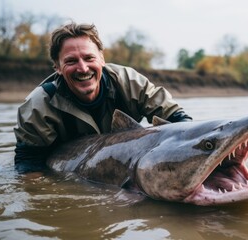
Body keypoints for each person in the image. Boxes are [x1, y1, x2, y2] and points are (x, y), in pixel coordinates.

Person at [13, 22, 192, 173]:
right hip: (69, 168)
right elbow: (28, 164)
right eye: (71, 61)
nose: (83, 68)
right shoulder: (39, 105)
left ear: (102, 58)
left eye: (89, 58)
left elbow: (180, 122)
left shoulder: (129, 81)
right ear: (57, 67)